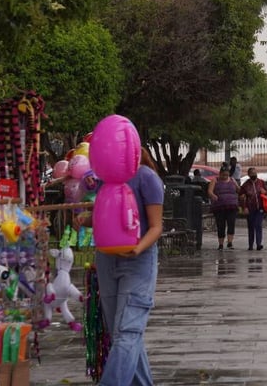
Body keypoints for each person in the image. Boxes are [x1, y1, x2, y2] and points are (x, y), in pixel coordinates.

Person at [91, 147, 164, 386]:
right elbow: (110, 218)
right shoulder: (104, 180)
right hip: (107, 260)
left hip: (138, 262)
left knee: (128, 333)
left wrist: (138, 248)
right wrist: (88, 219)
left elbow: (155, 226)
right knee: (122, 335)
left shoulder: (147, 178)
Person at [208, 167, 239, 250]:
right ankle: (221, 244)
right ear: (220, 173)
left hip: (232, 206)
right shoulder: (215, 180)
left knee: (231, 224)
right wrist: (213, 195)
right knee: (221, 225)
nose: (225, 177)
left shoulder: (232, 180)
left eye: (226, 175)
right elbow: (210, 191)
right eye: (223, 175)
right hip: (219, 207)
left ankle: (230, 242)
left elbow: (238, 189)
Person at [239, 168, 267, 250]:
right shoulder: (245, 185)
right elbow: (241, 196)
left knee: (258, 225)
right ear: (249, 175)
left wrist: (265, 192)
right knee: (251, 226)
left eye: (254, 173)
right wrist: (244, 207)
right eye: (251, 173)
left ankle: (259, 244)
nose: (253, 175)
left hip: (260, 207)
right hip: (250, 208)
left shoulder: (261, 182)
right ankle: (250, 245)